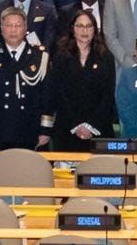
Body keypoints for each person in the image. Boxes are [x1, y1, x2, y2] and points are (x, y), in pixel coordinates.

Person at [0, 6, 52, 148]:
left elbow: (47, 96)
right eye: (9, 25)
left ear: (25, 28)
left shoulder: (39, 56)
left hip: (30, 129)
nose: (13, 30)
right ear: (1, 29)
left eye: (18, 25)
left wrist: (45, 129)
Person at [48, 9, 116, 149]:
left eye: (89, 26)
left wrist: (91, 125)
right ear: (72, 29)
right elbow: (58, 93)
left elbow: (108, 94)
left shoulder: (105, 56)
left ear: (95, 29)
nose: (84, 30)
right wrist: (76, 125)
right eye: (80, 26)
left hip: (99, 129)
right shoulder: (61, 56)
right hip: (67, 129)